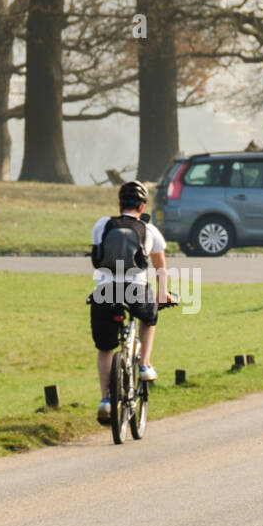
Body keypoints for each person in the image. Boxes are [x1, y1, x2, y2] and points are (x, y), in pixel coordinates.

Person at [89, 180, 171, 424]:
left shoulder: (103, 224)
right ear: (143, 206)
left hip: (105, 290)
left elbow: (96, 256)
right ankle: (144, 365)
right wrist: (163, 295)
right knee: (149, 317)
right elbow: (160, 270)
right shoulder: (151, 231)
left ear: (119, 204)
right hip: (136, 289)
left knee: (105, 347)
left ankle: (105, 400)